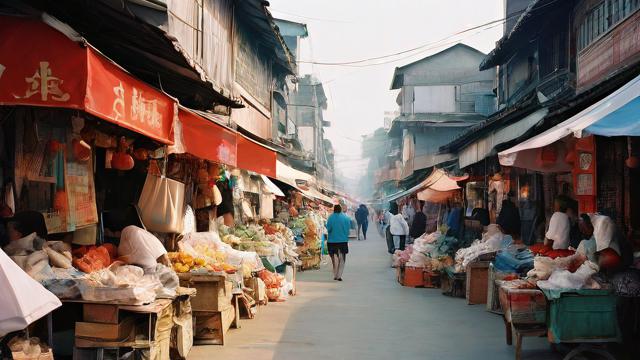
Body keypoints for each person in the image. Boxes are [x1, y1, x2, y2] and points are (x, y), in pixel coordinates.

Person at [326, 204, 351, 281]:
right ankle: (339, 275)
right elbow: (348, 231)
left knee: (334, 258)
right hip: (343, 241)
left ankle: (335, 274)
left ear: (334, 210)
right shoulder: (346, 218)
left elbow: (328, 229)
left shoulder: (330, 217)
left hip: (332, 241)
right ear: (340, 210)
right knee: (342, 258)